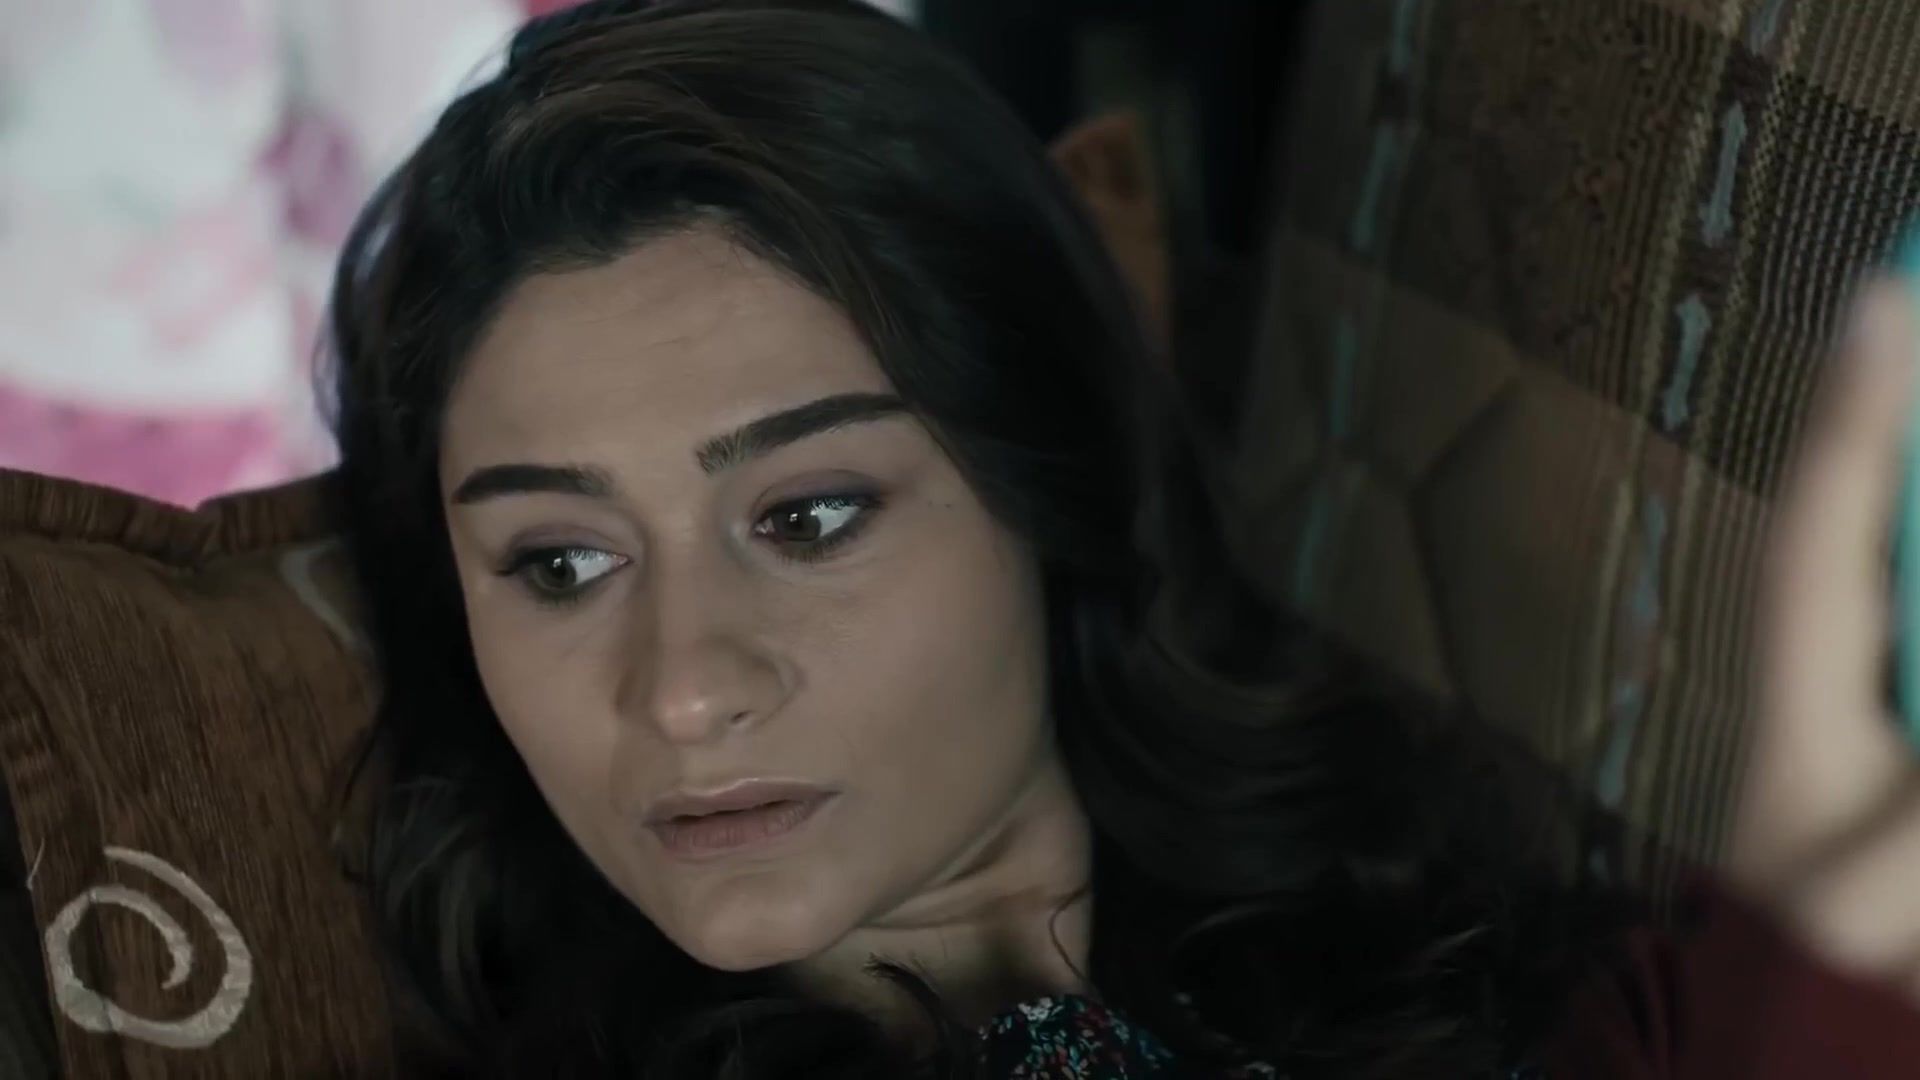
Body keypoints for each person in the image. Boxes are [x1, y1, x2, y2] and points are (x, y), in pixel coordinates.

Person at [324, 1, 1920, 1076]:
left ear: (1055, 474)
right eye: (560, 565)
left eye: (808, 516)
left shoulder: (1531, 984)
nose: (683, 689)